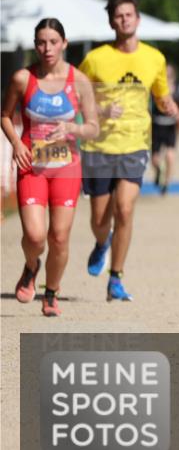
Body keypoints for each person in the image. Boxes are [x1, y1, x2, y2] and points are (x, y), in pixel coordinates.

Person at [79, 0, 177, 302]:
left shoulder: (154, 58)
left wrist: (168, 104)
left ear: (138, 18)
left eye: (129, 14)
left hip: (135, 144)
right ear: (111, 22)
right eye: (118, 16)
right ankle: (102, 243)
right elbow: (77, 96)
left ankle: (116, 278)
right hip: (98, 146)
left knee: (124, 208)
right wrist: (101, 111)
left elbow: (161, 94)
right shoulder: (95, 59)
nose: (124, 20)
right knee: (99, 221)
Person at [1, 18, 99, 316]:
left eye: (53, 42)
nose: (47, 48)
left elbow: (93, 127)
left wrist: (72, 128)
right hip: (31, 165)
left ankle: (52, 292)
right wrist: (16, 144)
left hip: (66, 167)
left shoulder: (79, 81)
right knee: (34, 236)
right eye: (42, 42)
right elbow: (4, 115)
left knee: (59, 236)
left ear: (64, 44)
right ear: (35, 45)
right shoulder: (23, 78)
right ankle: (31, 266)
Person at [150, 65, 179, 195]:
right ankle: (159, 171)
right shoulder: (155, 88)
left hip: (170, 127)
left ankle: (166, 184)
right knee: (155, 159)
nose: (167, 77)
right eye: (165, 75)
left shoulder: (177, 90)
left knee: (170, 157)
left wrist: (178, 116)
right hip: (156, 126)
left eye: (169, 75)